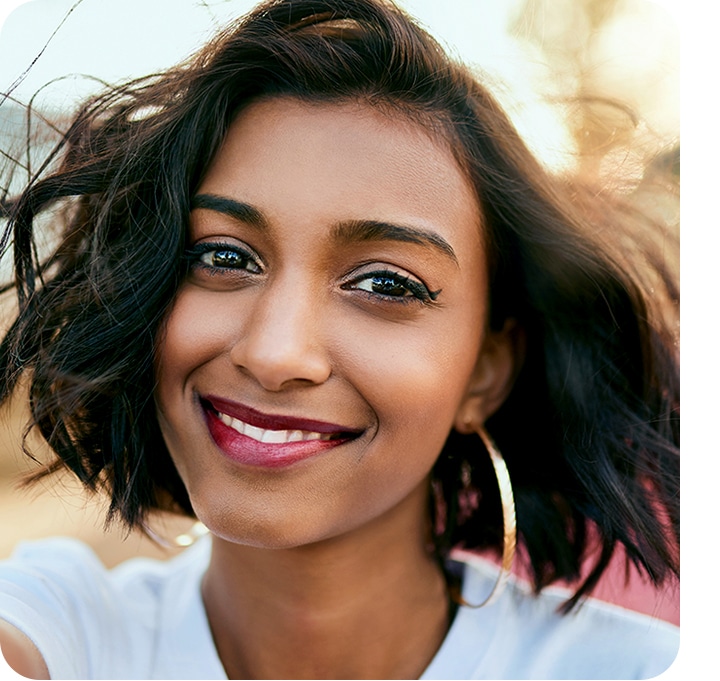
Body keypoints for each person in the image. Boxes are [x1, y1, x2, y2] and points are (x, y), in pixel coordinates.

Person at [0, 0, 679, 678]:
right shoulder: (63, 630)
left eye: (386, 284)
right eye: (226, 257)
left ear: (487, 371)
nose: (274, 354)